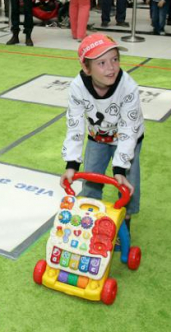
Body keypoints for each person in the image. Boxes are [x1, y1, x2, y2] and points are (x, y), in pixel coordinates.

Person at [60, 33, 143, 225]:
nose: (111, 67)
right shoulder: (77, 87)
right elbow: (75, 125)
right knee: (91, 178)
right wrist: (71, 165)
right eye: (102, 63)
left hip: (128, 138)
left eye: (115, 59)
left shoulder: (128, 88)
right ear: (86, 68)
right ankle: (88, 219)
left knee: (128, 182)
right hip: (98, 137)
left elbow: (129, 129)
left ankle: (126, 219)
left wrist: (120, 168)